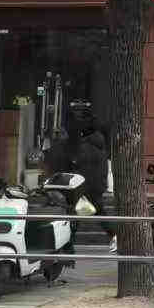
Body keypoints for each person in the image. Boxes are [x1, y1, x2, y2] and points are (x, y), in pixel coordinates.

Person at [48, 99, 110, 239]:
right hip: (91, 184)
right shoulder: (96, 144)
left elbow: (76, 163)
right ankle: (71, 241)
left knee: (78, 212)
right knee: (89, 212)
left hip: (85, 185)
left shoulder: (85, 146)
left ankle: (70, 241)